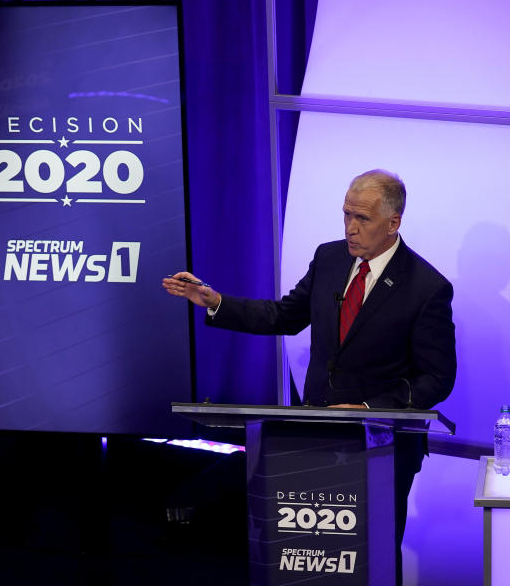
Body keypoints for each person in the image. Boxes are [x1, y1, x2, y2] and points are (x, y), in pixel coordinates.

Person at [162, 169, 456, 585]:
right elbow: (284, 315)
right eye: (346, 215)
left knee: (370, 560)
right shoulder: (329, 258)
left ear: (394, 222)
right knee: (310, 556)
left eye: (363, 219)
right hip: (313, 439)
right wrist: (217, 301)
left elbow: (437, 378)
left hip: (382, 448)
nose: (350, 229)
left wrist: (370, 409)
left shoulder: (427, 287)